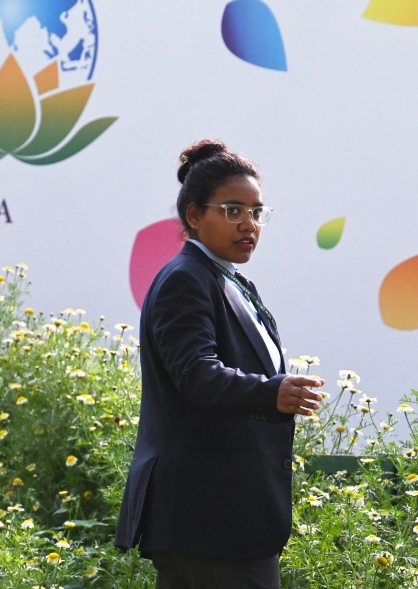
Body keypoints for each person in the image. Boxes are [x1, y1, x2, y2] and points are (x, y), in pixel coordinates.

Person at [114, 140, 324, 589]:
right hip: (207, 519)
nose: (249, 224)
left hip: (227, 519)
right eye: (233, 210)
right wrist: (273, 392)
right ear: (193, 216)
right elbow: (197, 374)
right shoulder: (186, 280)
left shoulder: (227, 279)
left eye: (257, 211)